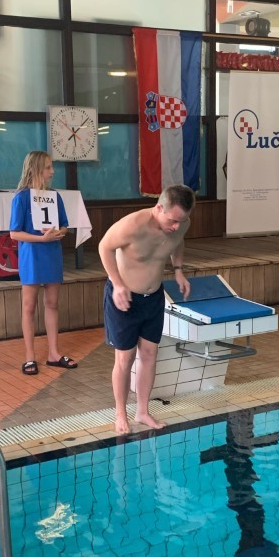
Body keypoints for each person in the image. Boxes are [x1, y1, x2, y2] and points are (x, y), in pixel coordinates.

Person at [98, 184, 196, 434]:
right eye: (172, 220)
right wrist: (118, 284)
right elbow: (104, 247)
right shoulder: (133, 225)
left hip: (153, 297)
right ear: (159, 208)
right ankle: (121, 413)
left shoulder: (181, 224)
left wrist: (178, 270)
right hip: (125, 298)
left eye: (181, 221)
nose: (176, 226)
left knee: (150, 354)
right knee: (125, 357)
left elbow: (178, 242)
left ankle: (142, 411)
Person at [9, 151, 77, 375]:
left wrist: (59, 232)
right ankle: (30, 356)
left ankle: (53, 353)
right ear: (35, 169)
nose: (52, 171)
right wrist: (41, 239)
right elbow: (14, 233)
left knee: (52, 303)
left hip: (52, 253)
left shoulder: (54, 196)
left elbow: (65, 225)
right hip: (32, 254)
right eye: (48, 167)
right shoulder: (21, 197)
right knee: (29, 306)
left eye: (51, 167)